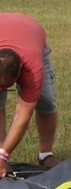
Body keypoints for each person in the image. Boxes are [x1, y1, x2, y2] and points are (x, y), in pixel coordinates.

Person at [0, 13, 62, 176]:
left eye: (6, 86)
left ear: (19, 76)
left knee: (46, 102)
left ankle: (45, 154)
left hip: (31, 34)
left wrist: (3, 155)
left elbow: (22, 116)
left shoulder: (32, 68)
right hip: (6, 27)